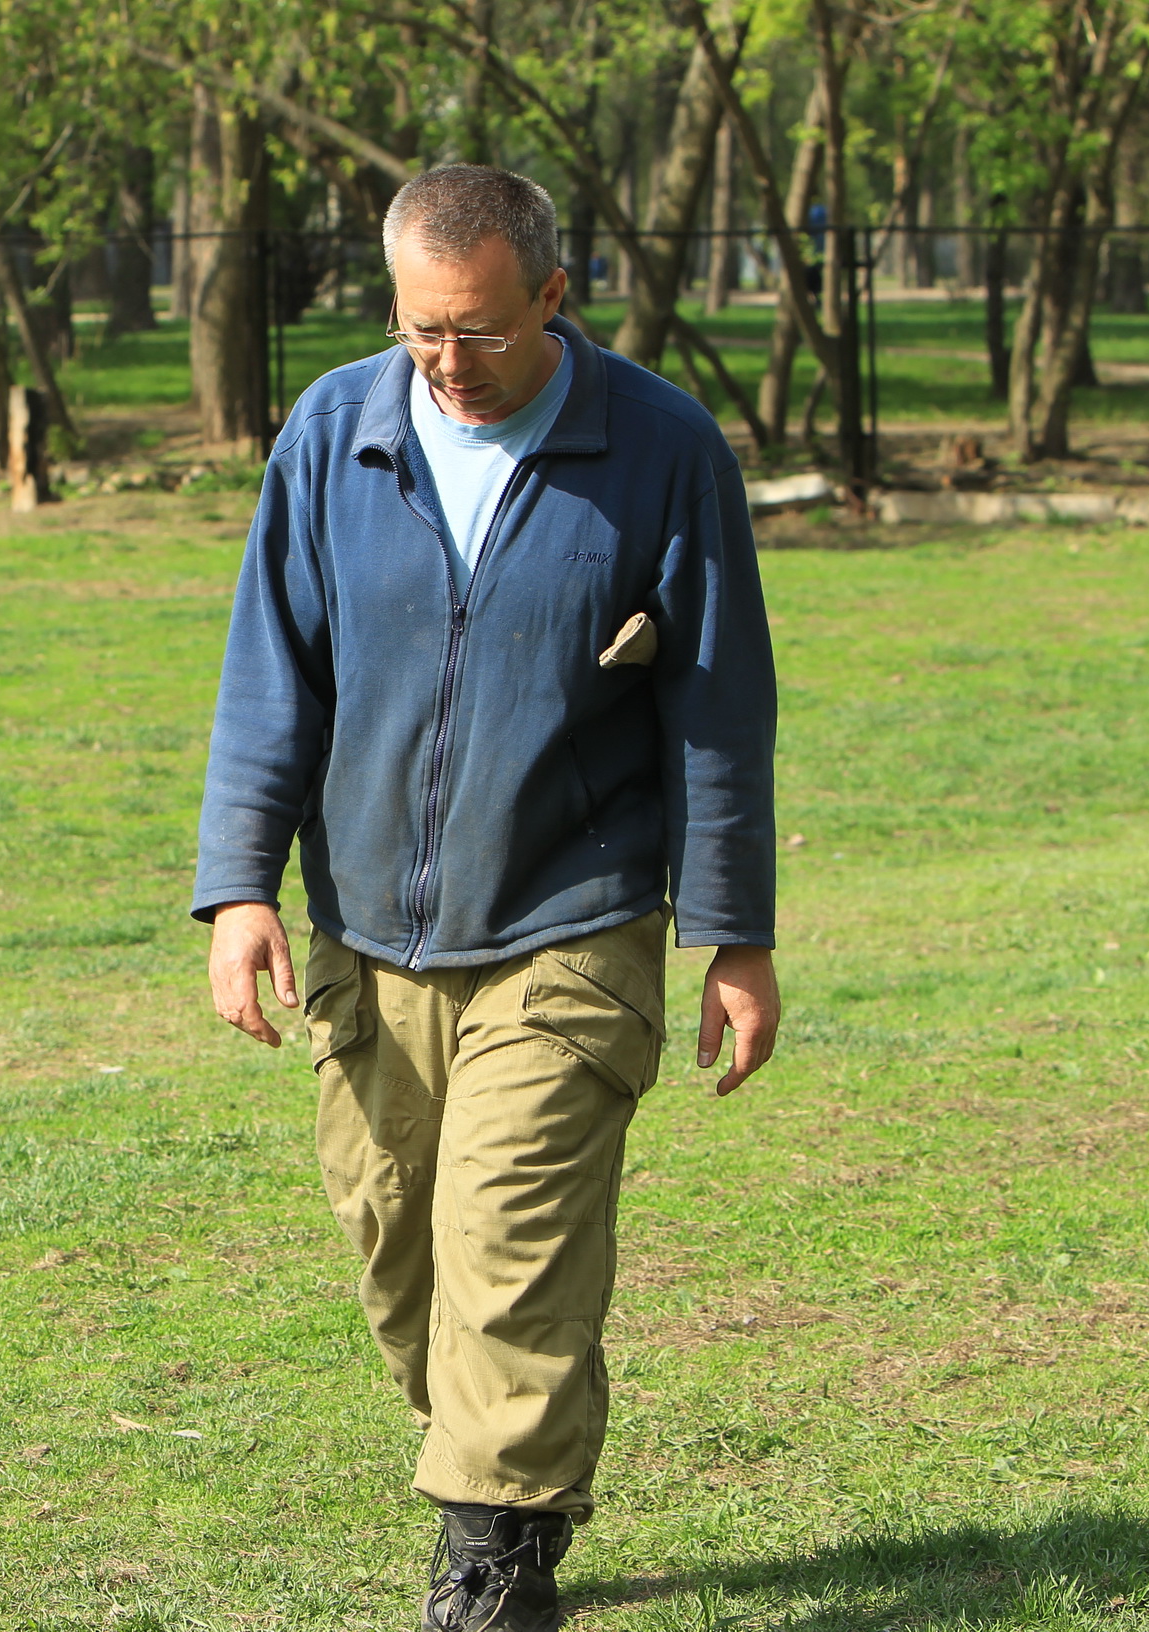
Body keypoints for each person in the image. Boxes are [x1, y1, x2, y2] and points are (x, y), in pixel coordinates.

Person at [191, 165, 780, 1632]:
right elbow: (277, 677)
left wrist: (736, 937)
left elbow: (717, 708)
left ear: (555, 300)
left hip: (569, 928)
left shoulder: (659, 448)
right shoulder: (338, 433)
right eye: (420, 332)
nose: (450, 364)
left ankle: (494, 1570)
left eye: (483, 333)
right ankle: (505, 1468)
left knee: (509, 1250)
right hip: (369, 938)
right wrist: (237, 891)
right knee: (402, 1254)